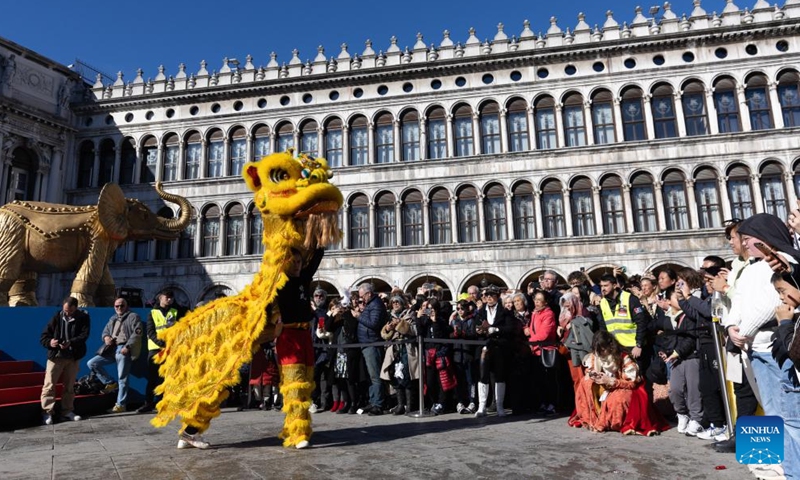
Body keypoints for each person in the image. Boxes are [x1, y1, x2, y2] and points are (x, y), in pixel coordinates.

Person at [269, 247, 325, 449]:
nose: (297, 265)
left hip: (305, 337)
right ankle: (298, 433)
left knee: (307, 383)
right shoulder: (278, 282)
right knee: (294, 385)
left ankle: (292, 426)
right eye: (293, 262)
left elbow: (317, 257)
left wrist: (320, 234)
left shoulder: (304, 278)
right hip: (289, 336)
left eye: (299, 262)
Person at [570, 331, 668, 435]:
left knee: (618, 398)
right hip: (606, 385)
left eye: (603, 350)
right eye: (598, 351)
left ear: (610, 346)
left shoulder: (624, 357)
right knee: (585, 383)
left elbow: (632, 383)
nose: (601, 353)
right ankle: (593, 417)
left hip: (626, 387)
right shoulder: (596, 356)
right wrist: (595, 375)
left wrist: (611, 381)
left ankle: (614, 422)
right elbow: (590, 370)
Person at [86, 297, 143, 413]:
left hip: (123, 348)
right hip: (111, 349)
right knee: (92, 363)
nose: (119, 308)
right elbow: (105, 332)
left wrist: (128, 347)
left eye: (122, 305)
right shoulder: (113, 318)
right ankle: (110, 383)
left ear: (126, 306)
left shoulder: (133, 316)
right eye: (117, 306)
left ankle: (121, 405)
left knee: (122, 378)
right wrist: (106, 337)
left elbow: (137, 333)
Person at [40, 297, 90, 425]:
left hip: (72, 357)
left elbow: (84, 336)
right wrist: (51, 342)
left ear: (76, 308)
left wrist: (70, 343)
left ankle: (67, 411)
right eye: (66, 310)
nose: (67, 313)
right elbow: (44, 337)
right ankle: (47, 411)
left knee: (69, 386)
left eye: (70, 311)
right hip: (56, 357)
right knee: (49, 384)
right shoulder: (56, 317)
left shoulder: (83, 318)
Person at [598, 273, 652, 376]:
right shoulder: (603, 303)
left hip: (632, 346)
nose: (603, 289)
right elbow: (603, 327)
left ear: (614, 285)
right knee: (621, 378)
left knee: (636, 376)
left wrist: (639, 344)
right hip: (615, 347)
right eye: (601, 286)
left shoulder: (629, 299)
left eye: (606, 285)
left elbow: (641, 322)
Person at [474, 284, 516, 417]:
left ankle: (499, 406)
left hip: (500, 346)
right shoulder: (481, 312)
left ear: (497, 297)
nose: (489, 298)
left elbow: (510, 328)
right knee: (483, 375)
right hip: (485, 346)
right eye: (487, 296)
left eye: (492, 295)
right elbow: (475, 327)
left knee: (499, 375)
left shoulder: (505, 312)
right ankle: (482, 406)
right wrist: (479, 330)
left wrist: (496, 329)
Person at [138, 290, 181, 414]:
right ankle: (148, 403)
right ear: (160, 298)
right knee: (152, 378)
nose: (169, 299)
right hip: (155, 349)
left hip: (171, 349)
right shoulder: (153, 313)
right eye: (167, 297)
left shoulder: (174, 312)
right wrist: (162, 344)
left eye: (171, 297)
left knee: (168, 377)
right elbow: (151, 332)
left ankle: (165, 403)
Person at [380, 295, 418, 415]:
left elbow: (414, 331)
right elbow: (384, 335)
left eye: (398, 302)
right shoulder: (390, 316)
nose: (395, 304)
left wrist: (400, 323)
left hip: (407, 349)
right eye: (393, 302)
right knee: (395, 377)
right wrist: (387, 328)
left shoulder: (410, 315)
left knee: (407, 376)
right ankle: (400, 404)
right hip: (394, 350)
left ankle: (409, 405)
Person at [356, 282, 389, 415]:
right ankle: (373, 399)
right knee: (370, 375)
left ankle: (378, 404)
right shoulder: (370, 304)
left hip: (372, 343)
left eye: (362, 296)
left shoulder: (376, 304)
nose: (361, 299)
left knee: (375, 375)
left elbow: (374, 324)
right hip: (366, 343)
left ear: (369, 293)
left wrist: (359, 316)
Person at [525, 291, 558, 415]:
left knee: (549, 379)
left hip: (546, 350)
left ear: (546, 301)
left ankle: (552, 404)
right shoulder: (535, 313)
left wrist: (529, 342)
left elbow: (544, 334)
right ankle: (543, 402)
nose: (536, 302)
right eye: (535, 299)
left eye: (539, 300)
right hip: (535, 351)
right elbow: (532, 329)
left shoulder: (548, 314)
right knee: (539, 380)